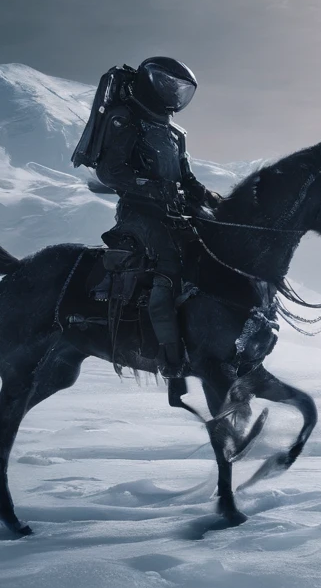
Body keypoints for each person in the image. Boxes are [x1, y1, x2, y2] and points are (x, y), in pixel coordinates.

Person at [71, 56, 220, 377]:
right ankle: (169, 355)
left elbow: (187, 179)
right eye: (173, 88)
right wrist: (152, 187)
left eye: (182, 91)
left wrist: (213, 198)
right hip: (140, 215)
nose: (177, 96)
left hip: (175, 213)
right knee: (169, 267)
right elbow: (110, 172)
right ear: (155, 85)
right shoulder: (125, 119)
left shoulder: (174, 133)